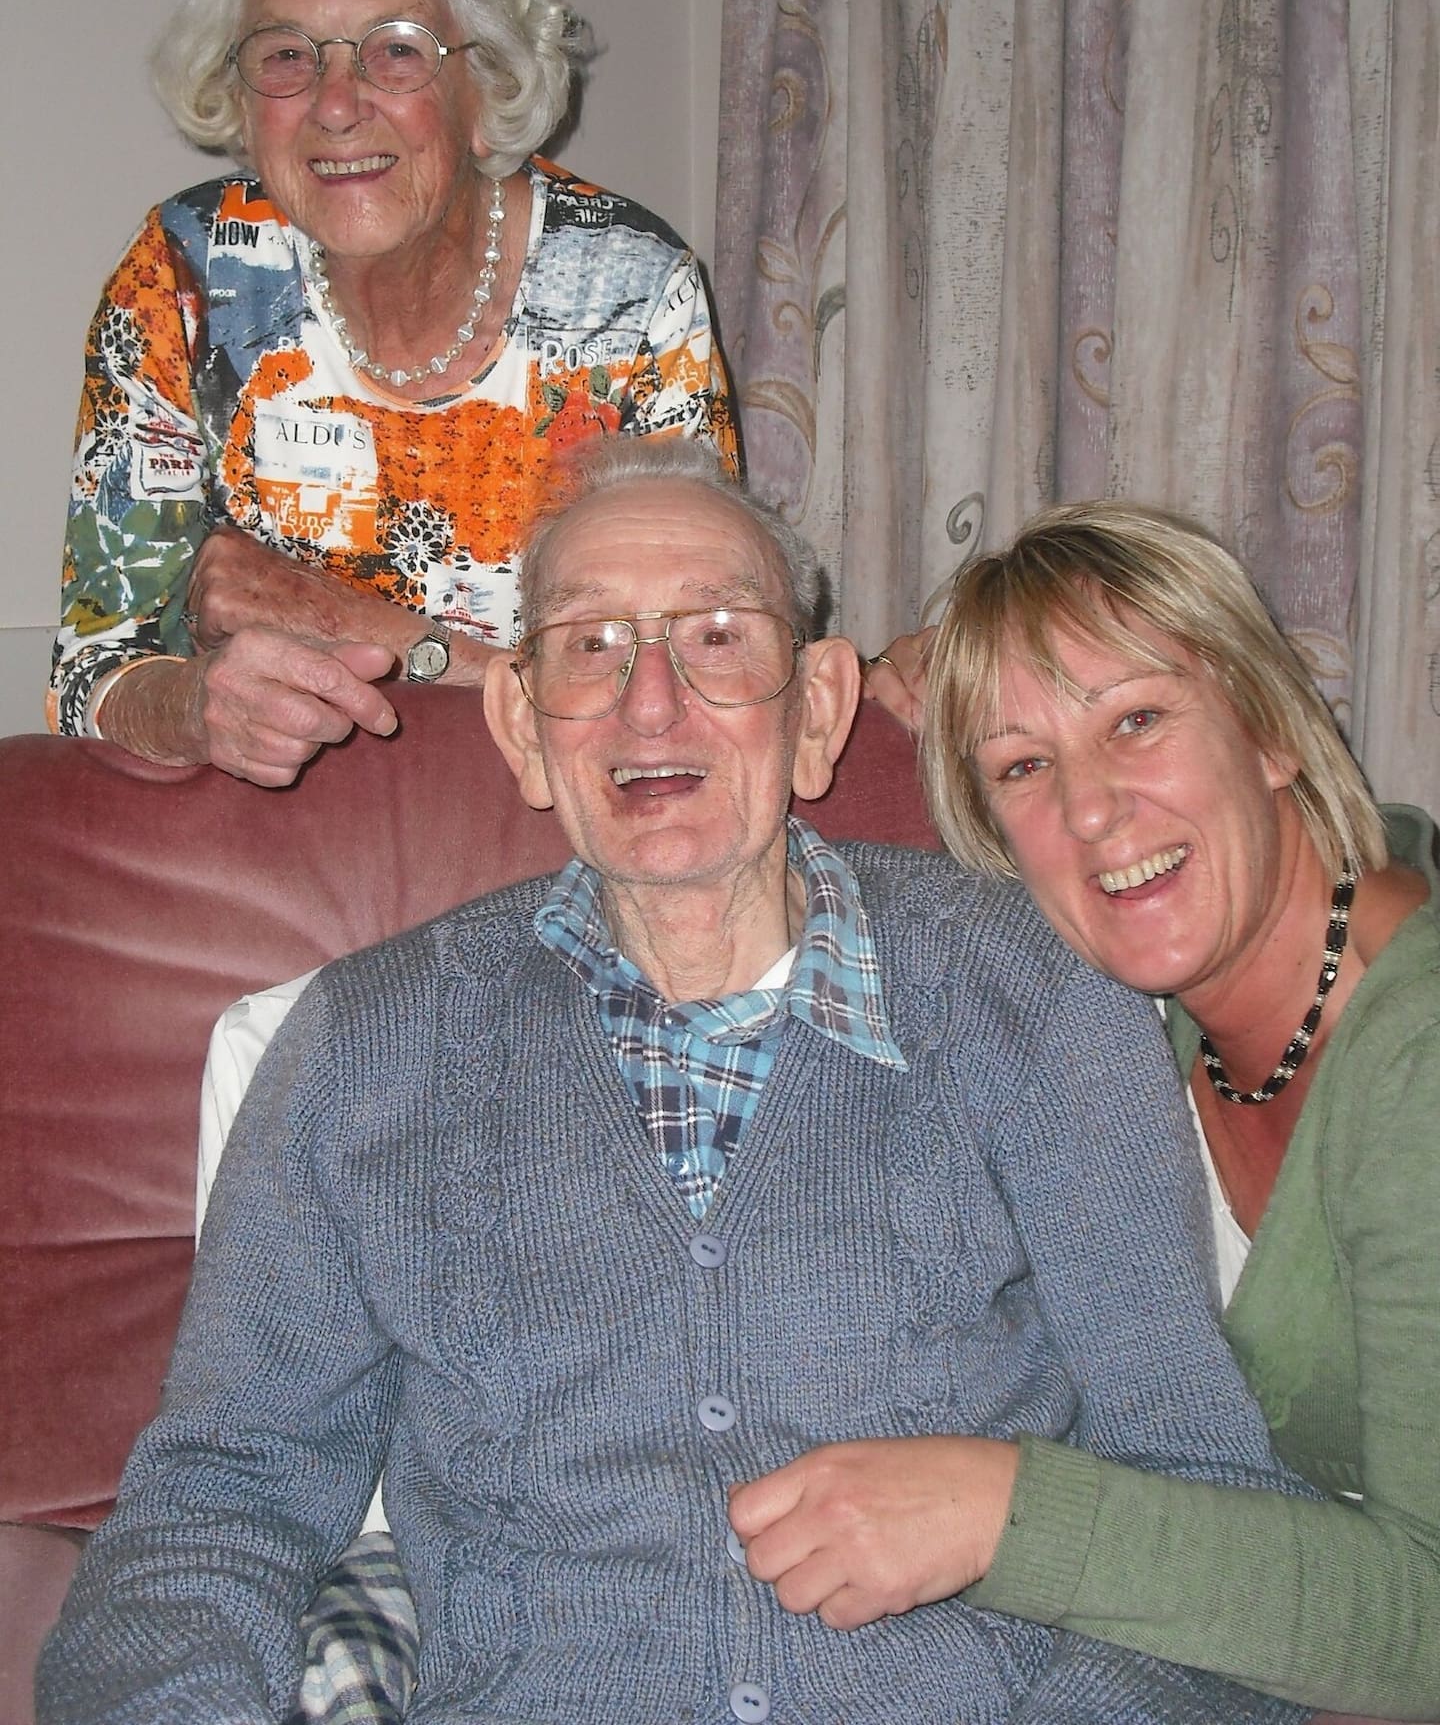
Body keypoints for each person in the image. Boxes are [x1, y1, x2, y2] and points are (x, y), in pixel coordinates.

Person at [38, 441, 1309, 1725]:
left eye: (715, 638)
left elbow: (1197, 1490)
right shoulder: (365, 1049)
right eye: (590, 647)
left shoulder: (1032, 995)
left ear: (817, 711)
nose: (653, 704)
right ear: (523, 729)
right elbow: (216, 1508)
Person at [738, 499, 1437, 1720]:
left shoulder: (1417, 1064)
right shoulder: (1129, 1019)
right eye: (1025, 766)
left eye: (1139, 721)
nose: (1095, 809)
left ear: (1270, 728)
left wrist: (1002, 1511)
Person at [48, 0, 736, 787]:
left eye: (396, 52)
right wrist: (195, 708)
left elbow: (698, 673)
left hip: (554, 831)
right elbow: (91, 670)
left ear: (484, 84)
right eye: (287, 54)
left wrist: (377, 635)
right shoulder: (185, 279)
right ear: (239, 92)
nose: (336, 104)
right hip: (265, 855)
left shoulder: (629, 293)